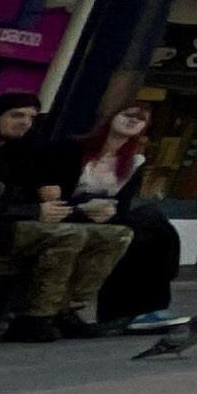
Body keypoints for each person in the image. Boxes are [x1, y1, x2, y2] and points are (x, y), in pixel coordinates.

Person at [0, 97, 131, 341]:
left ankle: (66, 310)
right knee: (69, 235)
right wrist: (33, 212)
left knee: (116, 235)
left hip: (10, 225)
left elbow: (30, 193)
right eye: (16, 115)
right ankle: (35, 318)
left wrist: (73, 206)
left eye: (31, 117)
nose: (25, 122)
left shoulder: (24, 153)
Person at [70, 101, 186, 328]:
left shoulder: (133, 162)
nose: (133, 120)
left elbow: (123, 204)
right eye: (128, 114)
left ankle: (144, 310)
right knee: (150, 225)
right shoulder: (76, 150)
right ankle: (139, 309)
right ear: (111, 116)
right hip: (71, 212)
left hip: (106, 217)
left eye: (140, 119)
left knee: (151, 228)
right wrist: (83, 206)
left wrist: (110, 211)